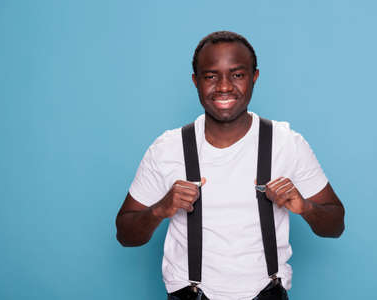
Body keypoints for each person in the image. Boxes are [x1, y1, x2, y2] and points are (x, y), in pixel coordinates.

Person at [116, 31, 345, 300]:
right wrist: (160, 209)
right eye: (211, 76)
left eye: (237, 75)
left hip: (266, 293)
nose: (224, 86)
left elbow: (335, 224)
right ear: (195, 81)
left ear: (254, 77)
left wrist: (305, 207)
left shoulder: (287, 143)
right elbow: (125, 234)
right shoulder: (168, 148)